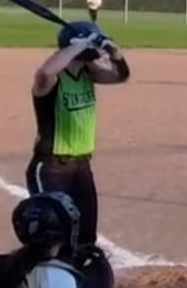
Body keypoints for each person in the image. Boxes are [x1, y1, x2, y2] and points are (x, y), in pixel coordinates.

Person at [26, 22, 129, 269]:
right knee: (50, 233)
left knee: (86, 232)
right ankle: (36, 278)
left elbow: (121, 75)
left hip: (81, 167)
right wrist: (81, 44)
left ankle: (77, 279)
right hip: (51, 166)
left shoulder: (88, 74)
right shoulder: (52, 81)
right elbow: (44, 73)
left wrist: (114, 53)